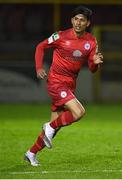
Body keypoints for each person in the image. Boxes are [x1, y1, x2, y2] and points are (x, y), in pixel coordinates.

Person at [24, 6, 103, 166]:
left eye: (82, 20)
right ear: (72, 20)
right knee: (79, 112)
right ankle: (49, 126)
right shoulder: (60, 36)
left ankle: (31, 153)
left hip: (69, 84)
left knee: (54, 129)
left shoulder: (91, 41)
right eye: (76, 19)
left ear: (87, 23)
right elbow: (41, 46)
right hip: (56, 82)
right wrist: (39, 67)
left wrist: (95, 64)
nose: (78, 22)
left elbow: (92, 69)